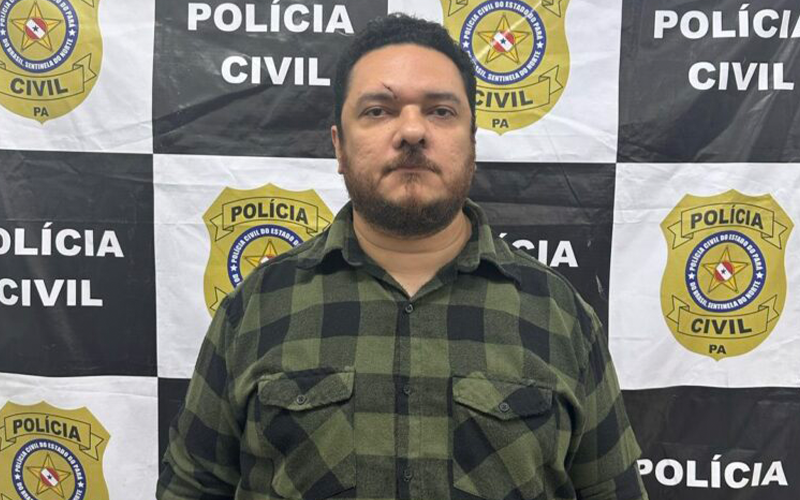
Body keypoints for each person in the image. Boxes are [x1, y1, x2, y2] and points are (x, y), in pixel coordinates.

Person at [157, 13, 649, 500]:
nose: (412, 131)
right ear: (339, 145)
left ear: (472, 142)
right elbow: (191, 489)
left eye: (441, 111)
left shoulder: (558, 314)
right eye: (378, 111)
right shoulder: (257, 307)